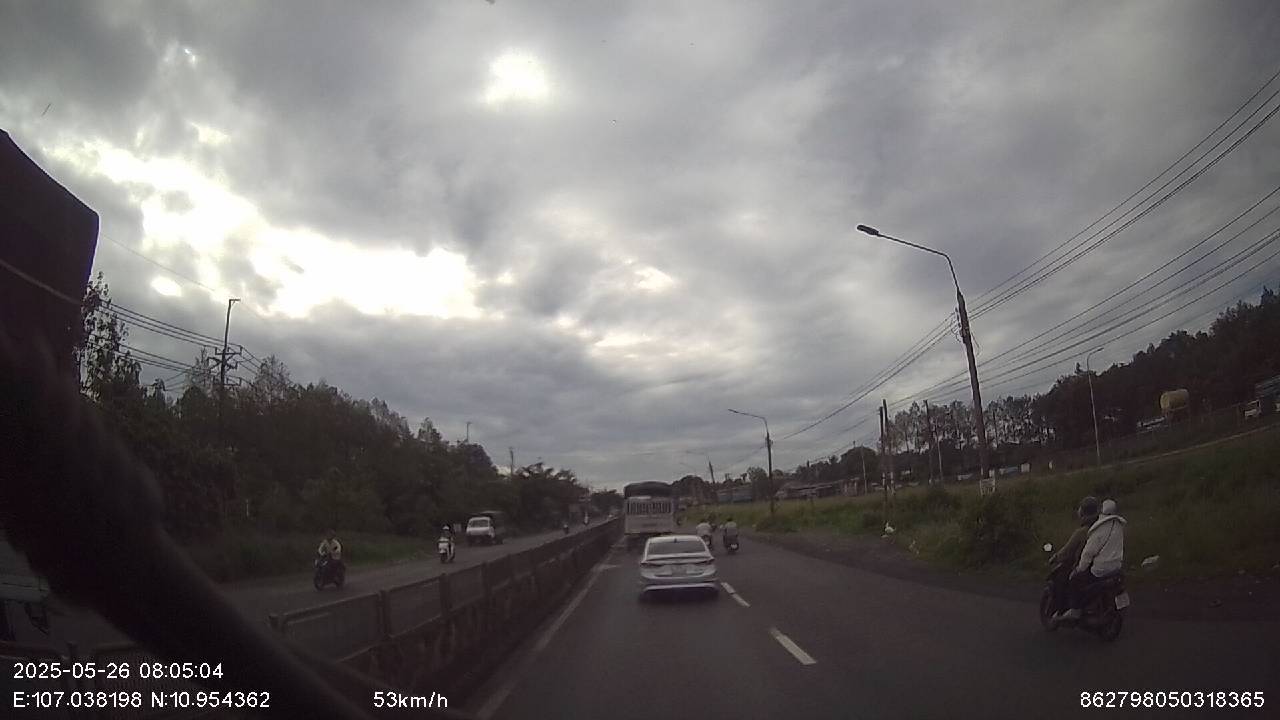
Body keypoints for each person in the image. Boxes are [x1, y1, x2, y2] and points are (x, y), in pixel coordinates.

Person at [1056, 498, 1126, 621]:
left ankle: (1075, 609)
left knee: (1073, 579)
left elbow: (1084, 553)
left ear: (1082, 512)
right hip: (1116, 566)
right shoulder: (1117, 526)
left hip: (1097, 568)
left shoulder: (1088, 531)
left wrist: (1078, 568)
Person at [1048, 496, 1100, 611]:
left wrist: (1055, 557)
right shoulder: (1101, 529)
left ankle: (1068, 609)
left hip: (1084, 567)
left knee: (1062, 580)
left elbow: (1067, 550)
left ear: (1082, 512)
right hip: (1101, 566)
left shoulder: (1082, 532)